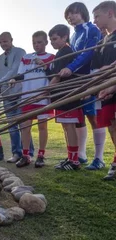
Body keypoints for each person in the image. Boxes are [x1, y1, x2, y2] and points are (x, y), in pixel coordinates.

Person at [63, 2, 104, 168]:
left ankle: (99, 158)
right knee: (79, 117)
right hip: (76, 81)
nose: (70, 17)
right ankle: (81, 154)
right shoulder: (73, 35)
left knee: (93, 116)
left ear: (82, 12)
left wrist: (70, 68)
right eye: (67, 16)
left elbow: (88, 53)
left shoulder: (91, 29)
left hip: (90, 79)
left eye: (73, 13)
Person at [9, 31, 55, 168]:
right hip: (27, 96)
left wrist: (44, 65)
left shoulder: (51, 57)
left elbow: (53, 76)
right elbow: (21, 75)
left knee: (42, 126)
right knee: (25, 126)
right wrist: (14, 79)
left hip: (42, 97)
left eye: (39, 42)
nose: (36, 45)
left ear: (46, 42)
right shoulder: (26, 58)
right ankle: (26, 155)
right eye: (34, 42)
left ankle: (41, 155)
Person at [0, 32, 34, 163]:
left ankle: (28, 152)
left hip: (19, 92)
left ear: (11, 40)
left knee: (23, 124)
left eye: (5, 41)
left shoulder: (20, 52)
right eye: (1, 42)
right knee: (11, 125)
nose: (3, 44)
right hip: (6, 94)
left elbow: (14, 71)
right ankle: (16, 152)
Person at [47, 25, 84, 170]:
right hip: (60, 96)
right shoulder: (60, 52)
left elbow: (57, 76)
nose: (52, 42)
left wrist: (46, 90)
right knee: (65, 126)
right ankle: (70, 157)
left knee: (70, 126)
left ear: (64, 37)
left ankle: (75, 161)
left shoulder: (66, 52)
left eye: (55, 39)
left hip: (67, 95)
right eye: (50, 40)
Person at [91, 1, 116, 180]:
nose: (95, 21)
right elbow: (98, 70)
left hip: (113, 87)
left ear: (110, 13)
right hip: (106, 91)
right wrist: (96, 87)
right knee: (112, 126)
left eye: (97, 16)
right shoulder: (101, 43)